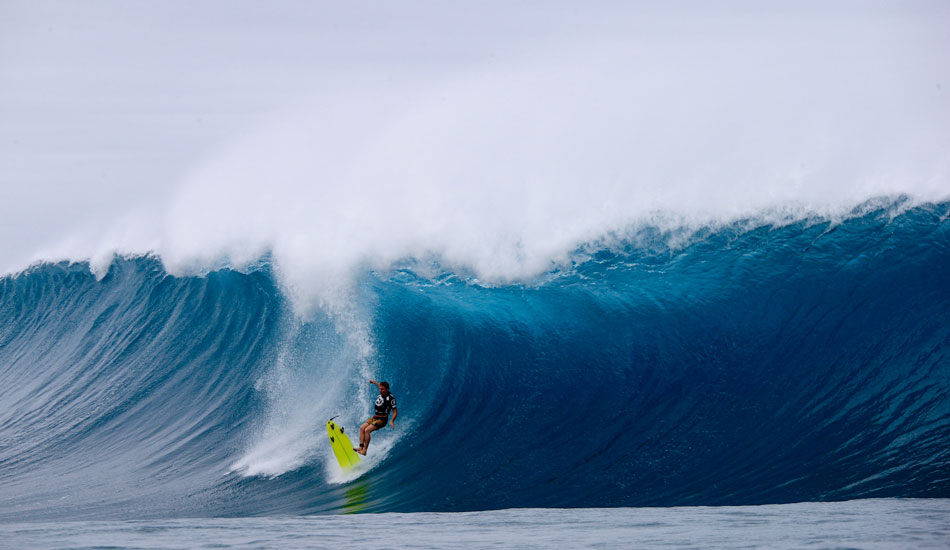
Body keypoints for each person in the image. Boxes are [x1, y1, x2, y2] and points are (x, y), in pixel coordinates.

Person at [355, 379, 397, 455]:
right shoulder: (382, 391)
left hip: (382, 419)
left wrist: (392, 421)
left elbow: (395, 412)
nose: (380, 391)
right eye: (380, 389)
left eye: (382, 389)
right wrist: (374, 382)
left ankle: (364, 450)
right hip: (375, 417)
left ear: (387, 389)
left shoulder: (391, 399)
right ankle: (361, 447)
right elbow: (379, 385)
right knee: (362, 428)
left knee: (367, 430)